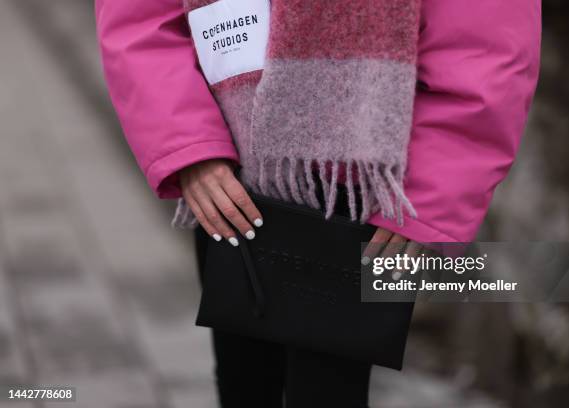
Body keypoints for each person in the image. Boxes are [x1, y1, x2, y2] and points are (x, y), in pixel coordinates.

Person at [95, 0, 541, 406]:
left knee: (332, 393)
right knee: (243, 384)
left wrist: (430, 193)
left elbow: (488, 46)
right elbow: (139, 16)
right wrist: (190, 147)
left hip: (371, 195)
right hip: (225, 177)